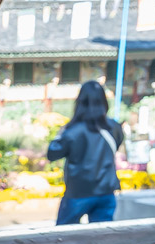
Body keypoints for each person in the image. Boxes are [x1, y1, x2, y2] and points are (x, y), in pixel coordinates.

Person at [48, 80, 122, 224]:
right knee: (102, 234)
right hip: (106, 191)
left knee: (65, 233)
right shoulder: (114, 127)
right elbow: (116, 147)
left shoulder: (72, 131)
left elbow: (53, 154)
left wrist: (60, 133)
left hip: (78, 192)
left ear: (80, 102)